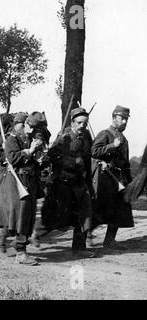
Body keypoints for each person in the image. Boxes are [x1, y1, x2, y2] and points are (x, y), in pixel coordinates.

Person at [0, 112, 47, 266]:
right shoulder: (12, 139)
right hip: (17, 182)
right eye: (33, 128)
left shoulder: (32, 140)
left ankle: (11, 241)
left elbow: (34, 161)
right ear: (27, 125)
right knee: (21, 216)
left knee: (27, 216)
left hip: (30, 181)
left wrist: (39, 159)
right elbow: (13, 158)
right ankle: (21, 253)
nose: (35, 132)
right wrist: (29, 151)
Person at [41, 107, 95, 258]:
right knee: (58, 218)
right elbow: (52, 155)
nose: (82, 126)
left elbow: (88, 157)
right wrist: (72, 161)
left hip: (80, 183)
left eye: (85, 123)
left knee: (84, 213)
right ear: (72, 122)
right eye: (79, 123)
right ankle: (32, 237)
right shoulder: (64, 137)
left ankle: (79, 248)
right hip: (64, 183)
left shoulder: (86, 137)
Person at [91, 106, 134, 250]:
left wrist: (129, 182)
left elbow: (125, 163)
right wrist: (112, 146)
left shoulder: (124, 139)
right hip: (106, 179)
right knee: (101, 210)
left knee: (119, 209)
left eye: (126, 119)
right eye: (122, 119)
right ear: (114, 118)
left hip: (120, 179)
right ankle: (83, 237)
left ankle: (109, 241)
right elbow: (94, 151)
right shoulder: (105, 133)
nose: (125, 122)